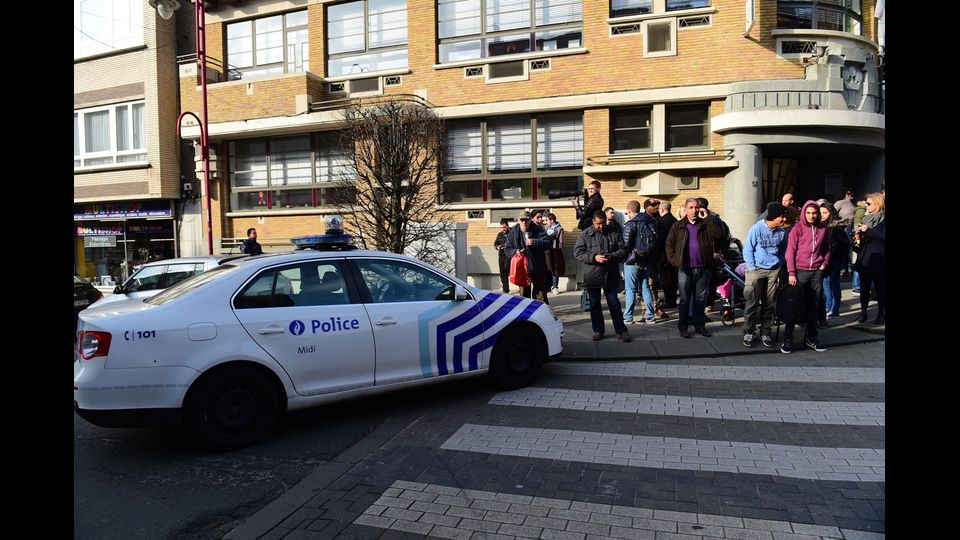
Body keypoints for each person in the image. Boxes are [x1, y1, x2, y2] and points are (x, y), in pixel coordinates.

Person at [664, 198, 724, 338]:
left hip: (703, 268)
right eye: (691, 207)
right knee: (684, 300)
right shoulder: (678, 226)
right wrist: (675, 261)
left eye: (696, 207)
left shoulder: (705, 224)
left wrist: (708, 218)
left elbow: (719, 235)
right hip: (685, 269)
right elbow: (669, 245)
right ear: (685, 209)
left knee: (700, 300)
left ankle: (699, 326)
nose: (694, 210)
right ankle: (683, 327)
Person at [573, 210, 631, 342]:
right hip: (592, 274)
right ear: (593, 221)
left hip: (610, 274)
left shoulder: (614, 232)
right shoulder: (585, 234)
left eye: (603, 223)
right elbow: (578, 253)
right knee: (594, 304)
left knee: (614, 303)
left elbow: (623, 250)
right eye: (598, 224)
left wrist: (611, 257)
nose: (601, 226)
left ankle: (621, 331)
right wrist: (594, 257)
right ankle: (598, 330)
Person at [782, 200, 831, 353]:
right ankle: (788, 339)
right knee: (794, 305)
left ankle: (812, 338)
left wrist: (824, 264)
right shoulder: (797, 228)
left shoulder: (823, 228)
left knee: (814, 306)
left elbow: (827, 249)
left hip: (816, 272)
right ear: (803, 213)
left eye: (814, 213)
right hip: (799, 272)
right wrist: (791, 272)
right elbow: (790, 251)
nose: (811, 216)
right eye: (808, 213)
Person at [741, 202, 788, 348]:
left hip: (773, 270)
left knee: (769, 303)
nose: (784, 219)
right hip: (756, 270)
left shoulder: (781, 232)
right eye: (782, 216)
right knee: (752, 302)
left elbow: (783, 250)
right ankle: (749, 332)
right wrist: (752, 267)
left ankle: (765, 332)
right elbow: (748, 250)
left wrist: (779, 263)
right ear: (773, 216)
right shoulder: (756, 229)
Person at [621, 200, 658, 325]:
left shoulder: (630, 224)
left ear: (629, 211)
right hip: (646, 259)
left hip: (632, 261)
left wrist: (623, 257)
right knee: (645, 287)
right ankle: (650, 316)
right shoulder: (649, 221)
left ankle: (628, 317)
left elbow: (626, 245)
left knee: (630, 289)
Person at [504, 210, 553, 303]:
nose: (524, 222)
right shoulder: (513, 232)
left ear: (530, 220)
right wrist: (516, 252)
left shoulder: (538, 229)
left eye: (526, 220)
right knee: (524, 298)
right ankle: (526, 312)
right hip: (522, 269)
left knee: (541, 296)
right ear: (518, 221)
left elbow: (548, 243)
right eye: (522, 220)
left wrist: (534, 242)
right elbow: (507, 249)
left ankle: (541, 312)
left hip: (537, 267)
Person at [854, 193, 885, 324]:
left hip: (879, 259)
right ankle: (863, 312)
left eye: (868, 203)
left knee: (880, 289)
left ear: (877, 204)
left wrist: (868, 230)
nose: (866, 206)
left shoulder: (883, 219)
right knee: (864, 289)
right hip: (865, 258)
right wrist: (856, 240)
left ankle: (881, 314)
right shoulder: (865, 219)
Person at [819, 203, 850, 321]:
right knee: (826, 283)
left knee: (834, 283)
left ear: (831, 213)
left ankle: (834, 309)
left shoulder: (836, 228)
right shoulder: (820, 226)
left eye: (825, 213)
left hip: (835, 260)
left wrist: (845, 266)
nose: (822, 215)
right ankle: (828, 306)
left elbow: (844, 246)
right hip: (824, 260)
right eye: (820, 212)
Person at [657, 201, 679, 308]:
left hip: (664, 256)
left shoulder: (661, 222)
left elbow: (660, 240)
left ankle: (670, 302)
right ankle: (672, 300)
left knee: (666, 280)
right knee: (673, 279)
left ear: (661, 209)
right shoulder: (675, 221)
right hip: (675, 255)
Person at [544, 213, 565, 293]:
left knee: (555, 268)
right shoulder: (546, 228)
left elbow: (561, 241)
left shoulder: (559, 229)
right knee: (548, 268)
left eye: (547, 220)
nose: (546, 222)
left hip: (555, 250)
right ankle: (548, 286)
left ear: (552, 220)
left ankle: (555, 286)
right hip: (547, 250)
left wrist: (557, 247)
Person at [493, 219, 511, 293]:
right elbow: (495, 244)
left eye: (504, 227)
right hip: (501, 255)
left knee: (507, 267)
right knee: (503, 272)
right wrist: (498, 247)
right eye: (502, 227)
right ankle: (505, 289)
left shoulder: (512, 233)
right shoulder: (500, 234)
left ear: (508, 226)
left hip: (509, 254)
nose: (503, 229)